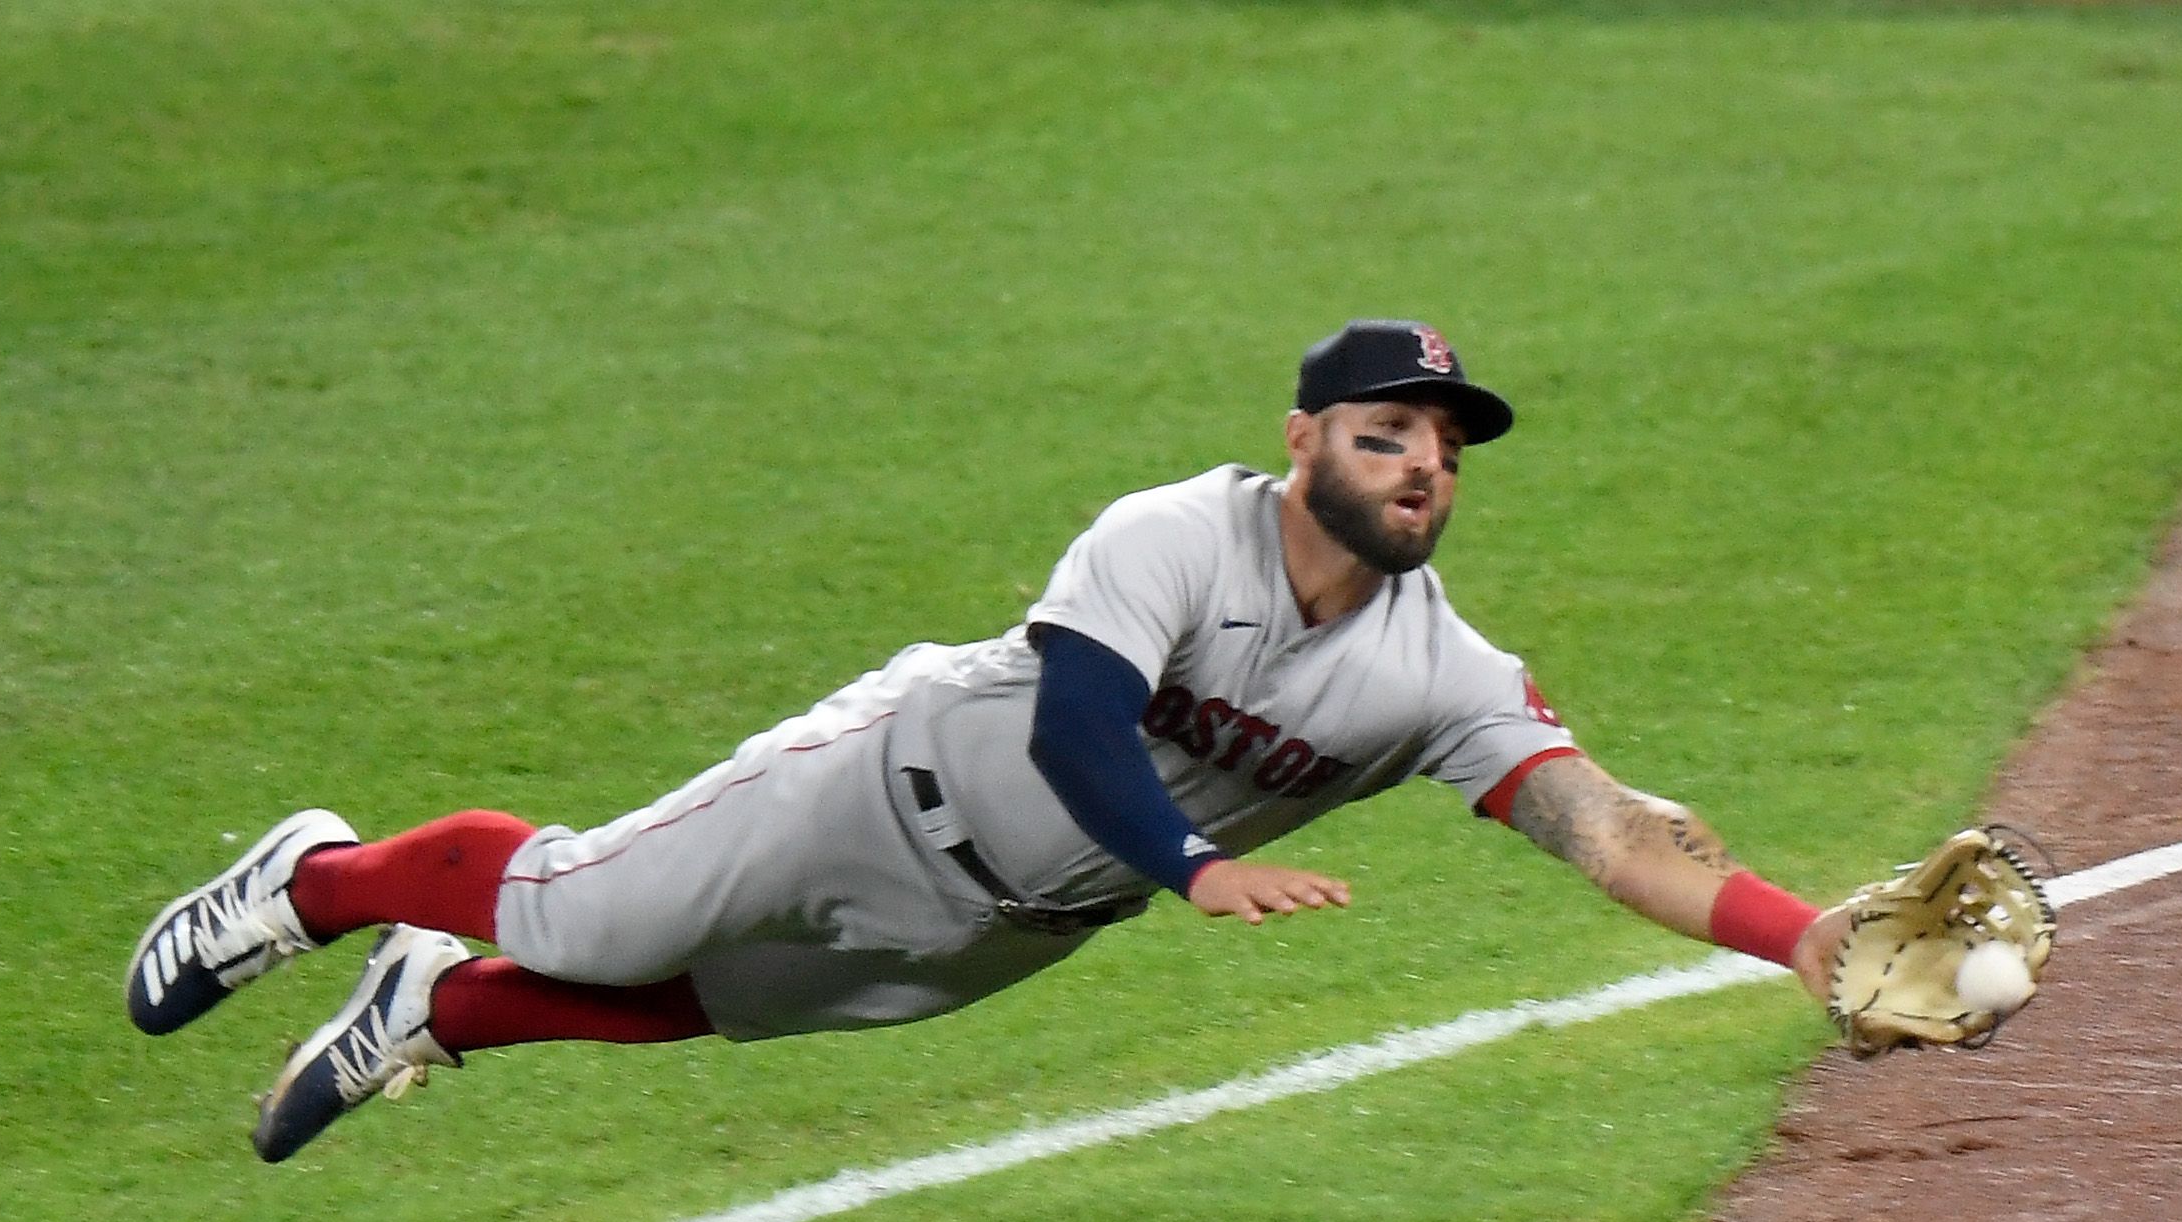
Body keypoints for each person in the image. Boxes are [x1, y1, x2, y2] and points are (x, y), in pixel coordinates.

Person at [126, 320, 1853, 1161]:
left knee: (693, 1005)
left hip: (1016, 926)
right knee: (587, 915)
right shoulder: (1179, 528)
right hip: (886, 780)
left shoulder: (1444, 671)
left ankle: (431, 1004)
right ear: (1307, 438)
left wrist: (1802, 937)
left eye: (1448, 452)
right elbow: (1085, 716)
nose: (1425, 469)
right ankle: (319, 881)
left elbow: (1606, 821)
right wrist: (1191, 866)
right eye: (1389, 433)